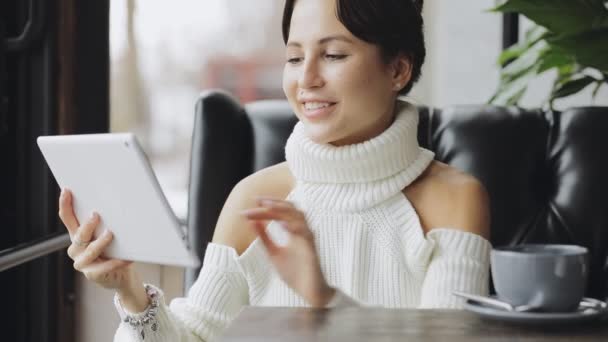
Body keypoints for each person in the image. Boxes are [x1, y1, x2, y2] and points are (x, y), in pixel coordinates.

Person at [59, 0, 492, 340]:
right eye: (293, 58)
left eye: (334, 54)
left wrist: (322, 298)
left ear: (398, 69)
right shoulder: (253, 198)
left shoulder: (453, 200)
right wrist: (130, 292)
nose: (307, 79)